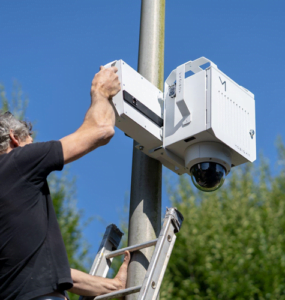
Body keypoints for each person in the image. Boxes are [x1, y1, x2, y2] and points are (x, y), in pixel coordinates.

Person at [0, 66, 130, 300]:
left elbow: (48, 272)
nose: (34, 146)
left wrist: (114, 287)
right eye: (31, 141)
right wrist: (100, 92)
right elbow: (101, 130)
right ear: (14, 138)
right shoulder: (18, 162)